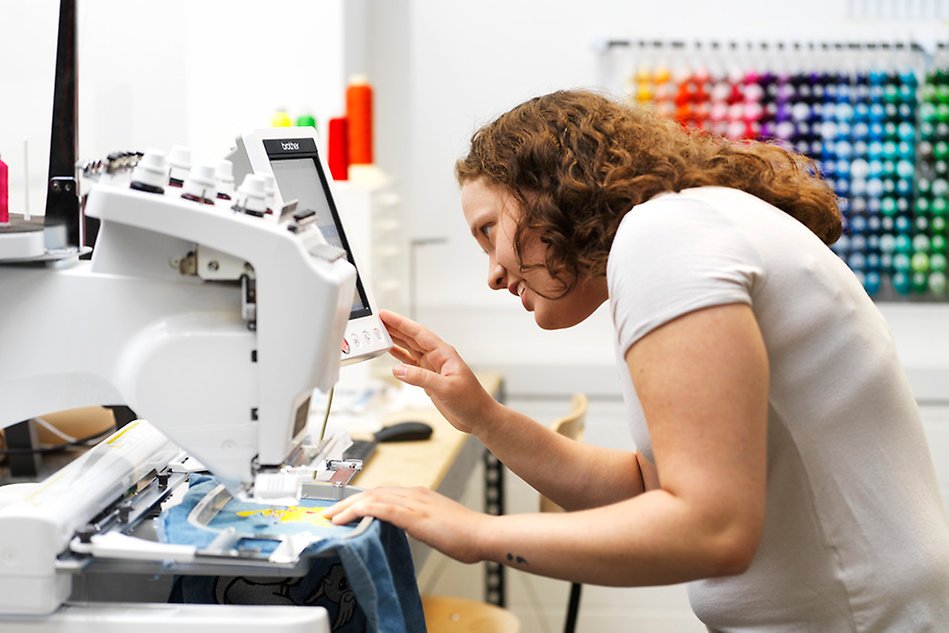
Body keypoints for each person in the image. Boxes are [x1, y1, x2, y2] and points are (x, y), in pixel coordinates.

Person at [326, 89, 949, 631]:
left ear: (550, 189)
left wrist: (476, 534)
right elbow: (651, 490)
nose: (492, 272)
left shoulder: (665, 239)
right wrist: (484, 417)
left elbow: (711, 528)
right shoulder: (688, 228)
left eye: (490, 230)